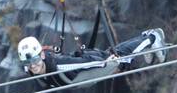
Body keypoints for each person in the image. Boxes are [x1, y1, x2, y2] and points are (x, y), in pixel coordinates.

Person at [16, 28, 166, 89]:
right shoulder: (30, 68)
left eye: (35, 60)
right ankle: (145, 39)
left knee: (119, 59)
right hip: (82, 77)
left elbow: (84, 63)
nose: (33, 66)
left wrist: (105, 63)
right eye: (28, 63)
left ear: (41, 55)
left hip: (90, 68)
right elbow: (27, 64)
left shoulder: (59, 66)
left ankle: (152, 38)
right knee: (118, 53)